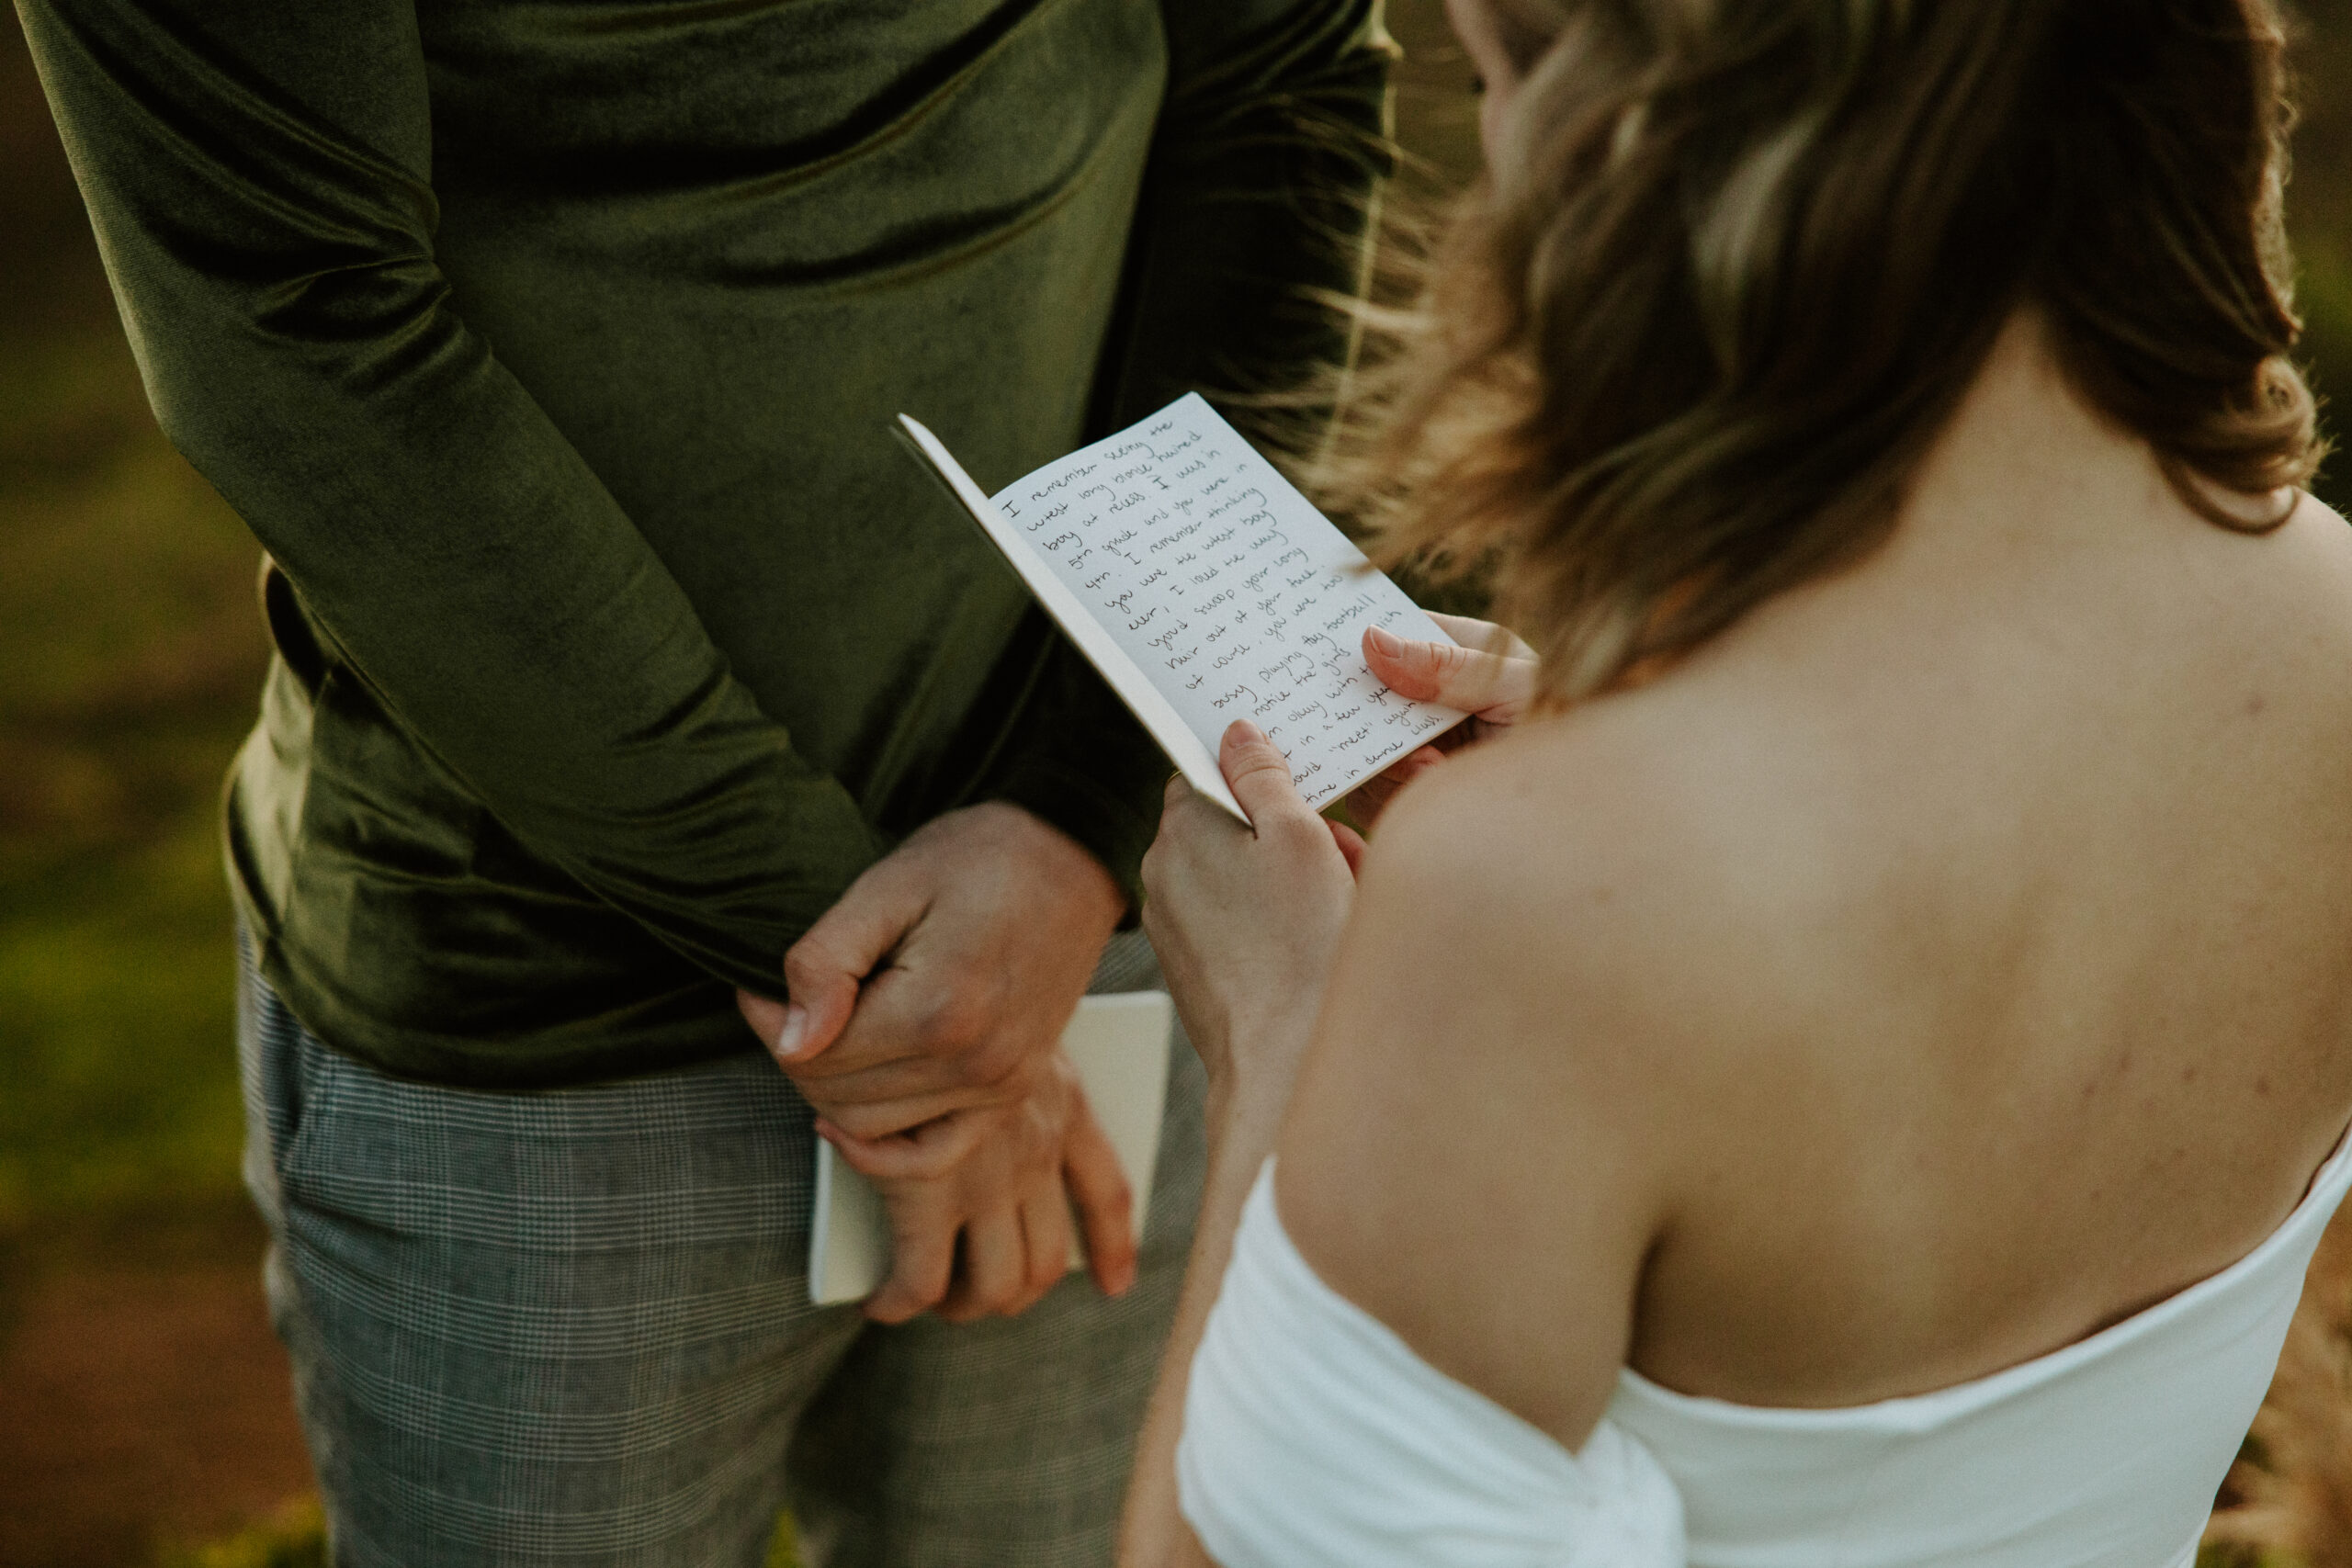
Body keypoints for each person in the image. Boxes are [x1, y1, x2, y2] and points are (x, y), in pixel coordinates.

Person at [17, 0, 1393, 1562]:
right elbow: (292, 323)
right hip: (548, 1035)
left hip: (1121, 922)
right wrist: (889, 988)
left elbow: (1287, 86)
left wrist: (1074, 819)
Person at [1113, 0, 2352, 1563]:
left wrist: (1287, 1036)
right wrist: (1649, 773)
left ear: (1639, 137)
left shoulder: (1526, 906)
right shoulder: (2327, 633)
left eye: (1496, 75)